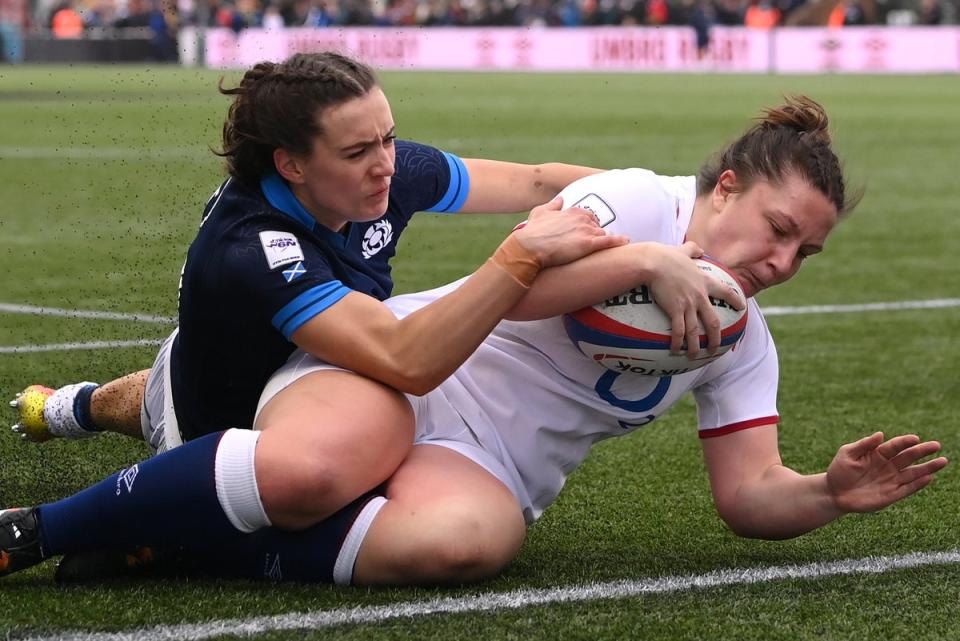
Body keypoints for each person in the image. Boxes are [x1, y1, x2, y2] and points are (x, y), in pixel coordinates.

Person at [6, 95, 937, 588]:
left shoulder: (738, 336)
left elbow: (749, 493)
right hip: (401, 365)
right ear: (725, 186)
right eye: (778, 228)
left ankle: (189, 544)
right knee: (320, 467)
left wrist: (826, 493)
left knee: (462, 547)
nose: (783, 260)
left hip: (490, 462)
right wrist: (647, 260)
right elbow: (522, 277)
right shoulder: (636, 200)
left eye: (804, 252)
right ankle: (39, 530)